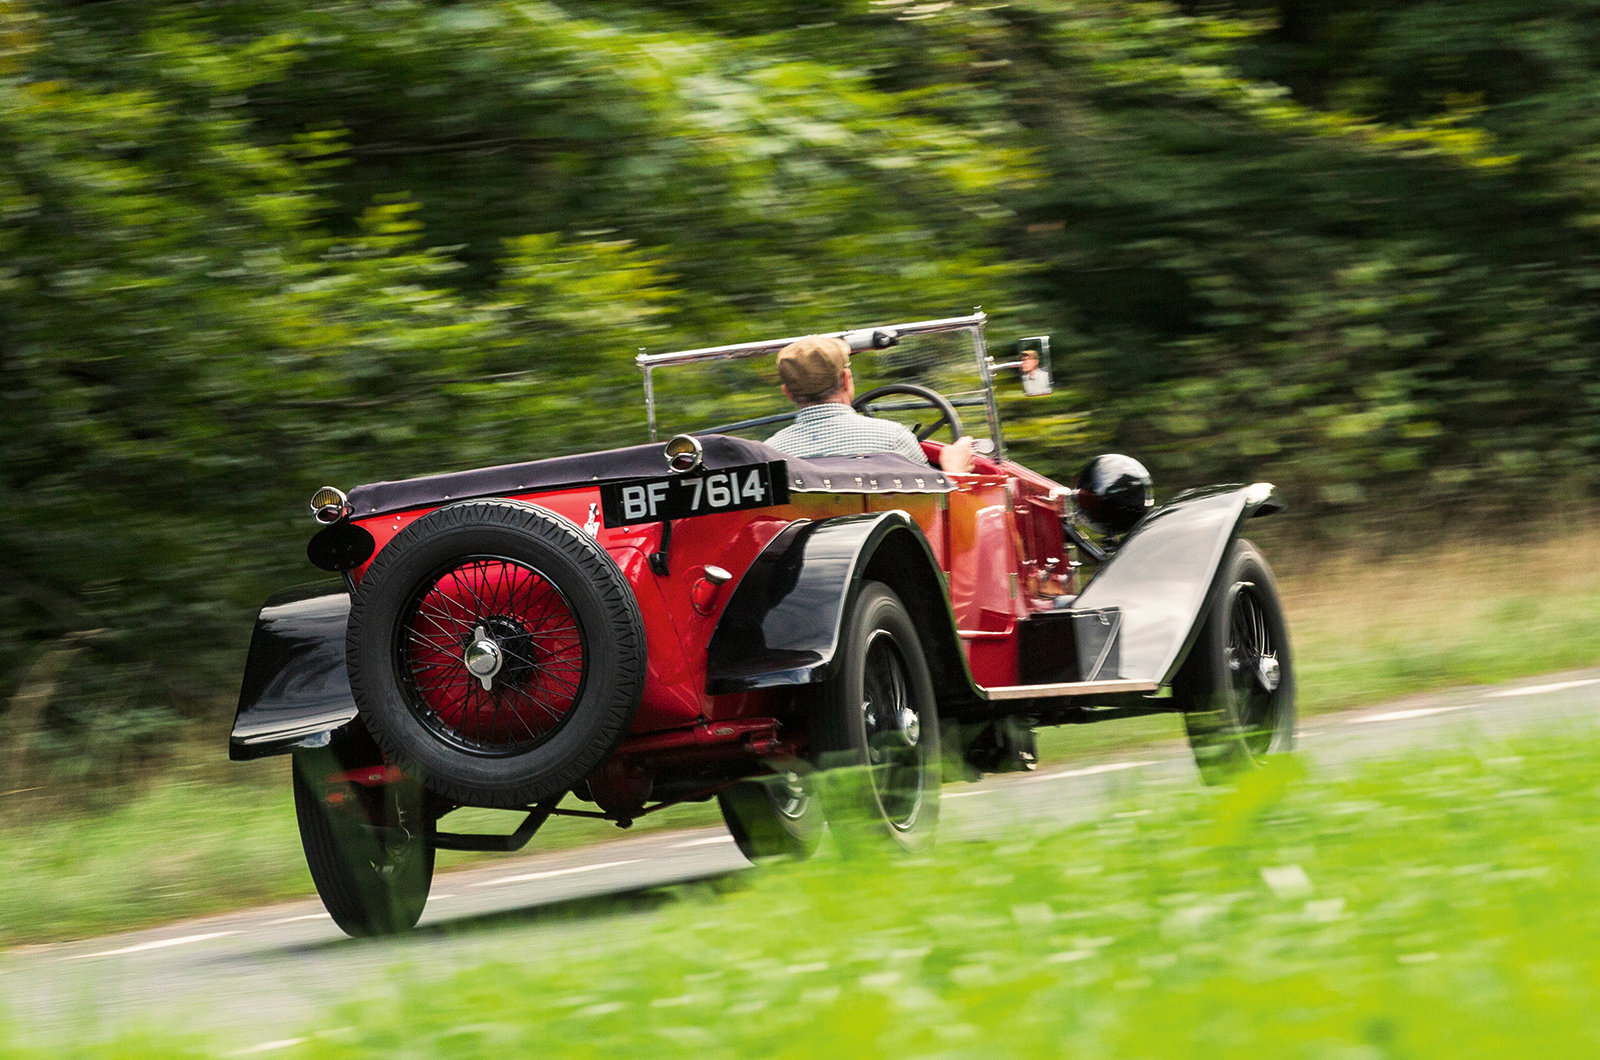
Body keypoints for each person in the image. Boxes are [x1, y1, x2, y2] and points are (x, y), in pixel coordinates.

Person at [764, 336, 976, 474]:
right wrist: (954, 470)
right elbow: (931, 509)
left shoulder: (770, 456)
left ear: (787, 393)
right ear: (846, 380)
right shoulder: (893, 438)